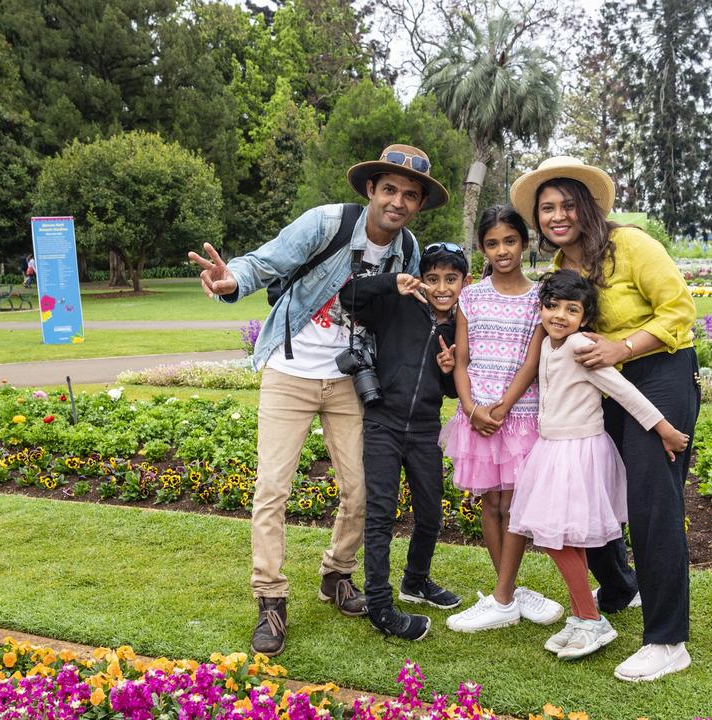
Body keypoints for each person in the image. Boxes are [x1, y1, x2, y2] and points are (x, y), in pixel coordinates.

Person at [187, 144, 448, 656]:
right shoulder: (326, 223)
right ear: (371, 189)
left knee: (363, 490)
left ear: (418, 205)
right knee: (273, 491)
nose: (398, 202)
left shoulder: (408, 250)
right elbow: (264, 262)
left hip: (353, 381)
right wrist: (230, 280)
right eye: (389, 189)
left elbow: (405, 316)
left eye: (410, 195)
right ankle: (270, 598)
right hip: (290, 372)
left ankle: (336, 575)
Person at [509, 156, 699, 682]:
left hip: (658, 370)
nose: (557, 215)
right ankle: (619, 589)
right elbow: (547, 343)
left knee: (652, 503)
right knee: (591, 493)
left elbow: (679, 310)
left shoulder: (632, 245)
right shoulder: (560, 275)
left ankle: (667, 640)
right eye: (547, 208)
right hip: (600, 385)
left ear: (587, 207)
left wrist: (623, 346)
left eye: (567, 204)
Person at [441, 205, 564, 633]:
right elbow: (462, 361)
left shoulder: (538, 298)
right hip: (475, 413)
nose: (502, 250)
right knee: (489, 503)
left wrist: (502, 408)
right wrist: (473, 409)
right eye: (492, 243)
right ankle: (506, 592)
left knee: (515, 505)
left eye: (510, 241)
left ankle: (503, 596)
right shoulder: (471, 297)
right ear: (482, 248)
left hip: (520, 415)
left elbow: (531, 363)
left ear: (524, 243)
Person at [338, 244, 468, 640]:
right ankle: (379, 604)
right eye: (432, 279)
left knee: (431, 515)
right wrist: (391, 283)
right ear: (420, 279)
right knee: (380, 516)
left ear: (464, 282)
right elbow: (349, 297)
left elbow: (448, 390)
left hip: (426, 428)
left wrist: (448, 372)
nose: (441, 288)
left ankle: (415, 581)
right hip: (383, 424)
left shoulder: (460, 326)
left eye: (451, 280)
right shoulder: (398, 305)